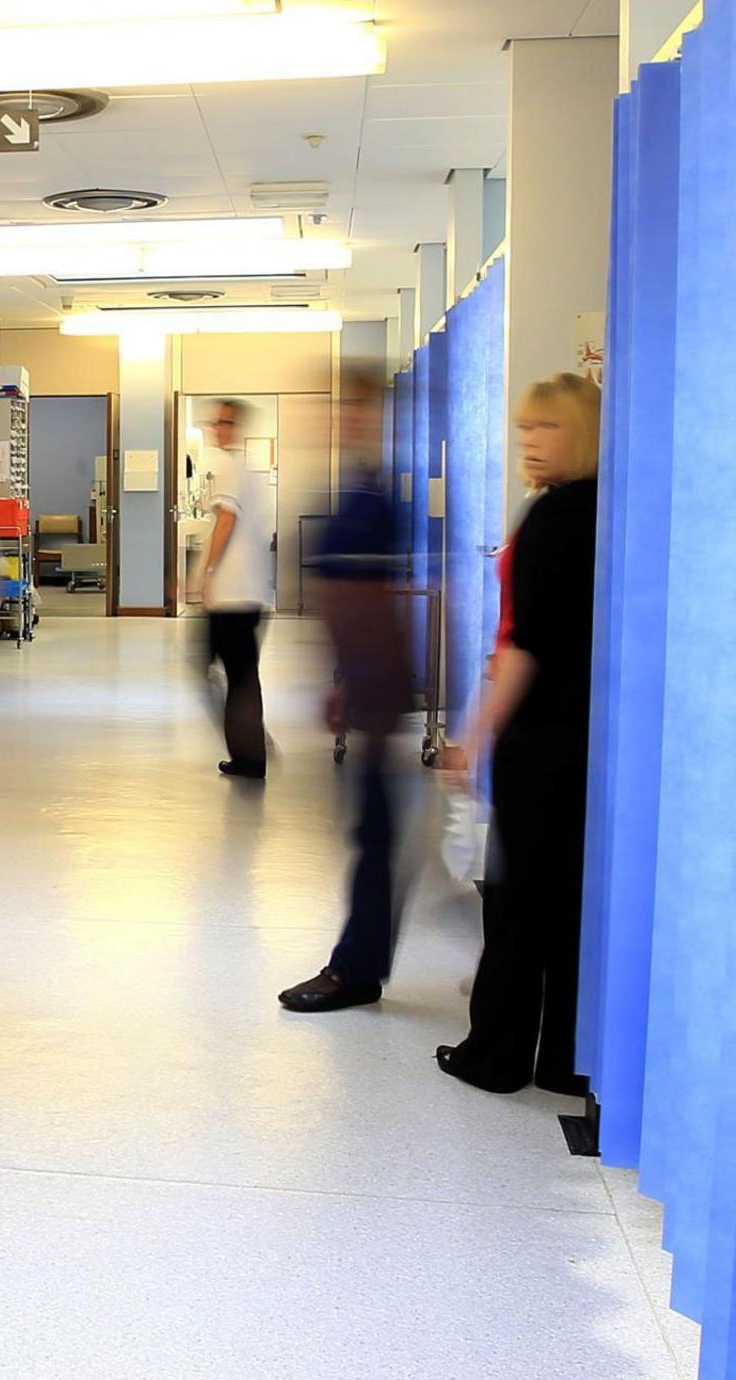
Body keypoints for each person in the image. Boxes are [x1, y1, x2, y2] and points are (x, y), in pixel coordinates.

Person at [436, 373, 603, 1095]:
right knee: (569, 899)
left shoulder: (552, 517)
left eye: (547, 428)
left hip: (541, 739)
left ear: (583, 432)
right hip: (590, 733)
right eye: (525, 430)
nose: (530, 443)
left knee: (515, 900)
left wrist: (474, 734)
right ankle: (567, 1057)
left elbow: (526, 646)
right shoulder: (606, 509)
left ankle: (494, 1054)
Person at [280, 366, 411, 1013]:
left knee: (377, 830)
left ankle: (356, 970)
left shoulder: (373, 499)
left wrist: (363, 686)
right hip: (365, 682)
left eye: (356, 410)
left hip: (378, 686)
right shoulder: (357, 491)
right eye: (339, 410)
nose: (343, 421)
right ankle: (360, 961)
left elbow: (370, 605)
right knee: (374, 828)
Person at [195, 399, 272, 779]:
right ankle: (250, 746)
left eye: (226, 423)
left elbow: (226, 519)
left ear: (237, 427)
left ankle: (251, 750)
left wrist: (207, 572)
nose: (218, 429)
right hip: (249, 593)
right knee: (239, 675)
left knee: (221, 672)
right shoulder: (249, 470)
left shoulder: (228, 467)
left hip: (232, 596)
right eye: (217, 422)